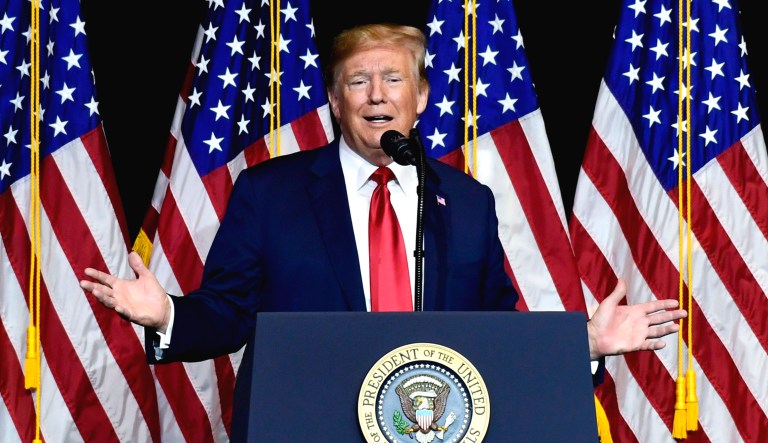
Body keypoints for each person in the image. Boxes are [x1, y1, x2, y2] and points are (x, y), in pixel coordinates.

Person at [80, 23, 685, 365]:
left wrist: (582, 345)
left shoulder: (468, 202)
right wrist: (168, 315)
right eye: (357, 82)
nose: (376, 95)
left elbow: (496, 332)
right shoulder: (270, 192)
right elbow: (227, 314)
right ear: (336, 101)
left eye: (393, 78)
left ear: (420, 97)